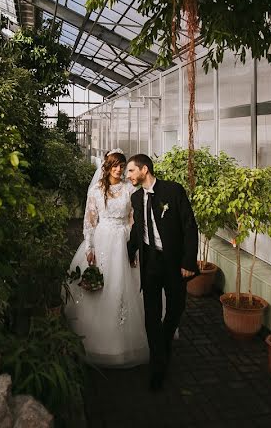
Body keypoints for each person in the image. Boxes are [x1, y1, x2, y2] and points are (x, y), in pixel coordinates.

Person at [64, 150, 149, 368]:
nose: (119, 169)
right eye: (115, 165)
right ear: (107, 166)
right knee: (101, 286)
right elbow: (90, 220)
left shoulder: (130, 189)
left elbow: (132, 219)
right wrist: (90, 246)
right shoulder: (96, 190)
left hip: (124, 240)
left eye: (122, 165)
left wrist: (132, 249)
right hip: (102, 240)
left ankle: (124, 341)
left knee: (123, 287)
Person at [126, 153, 199, 390]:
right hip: (151, 261)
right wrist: (129, 250)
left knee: (176, 307)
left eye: (131, 171)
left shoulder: (173, 191)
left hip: (174, 261)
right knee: (151, 313)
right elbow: (139, 227)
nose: (128, 176)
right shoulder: (136, 198)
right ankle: (158, 365)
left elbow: (190, 226)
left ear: (144, 169)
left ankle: (164, 341)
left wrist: (188, 261)